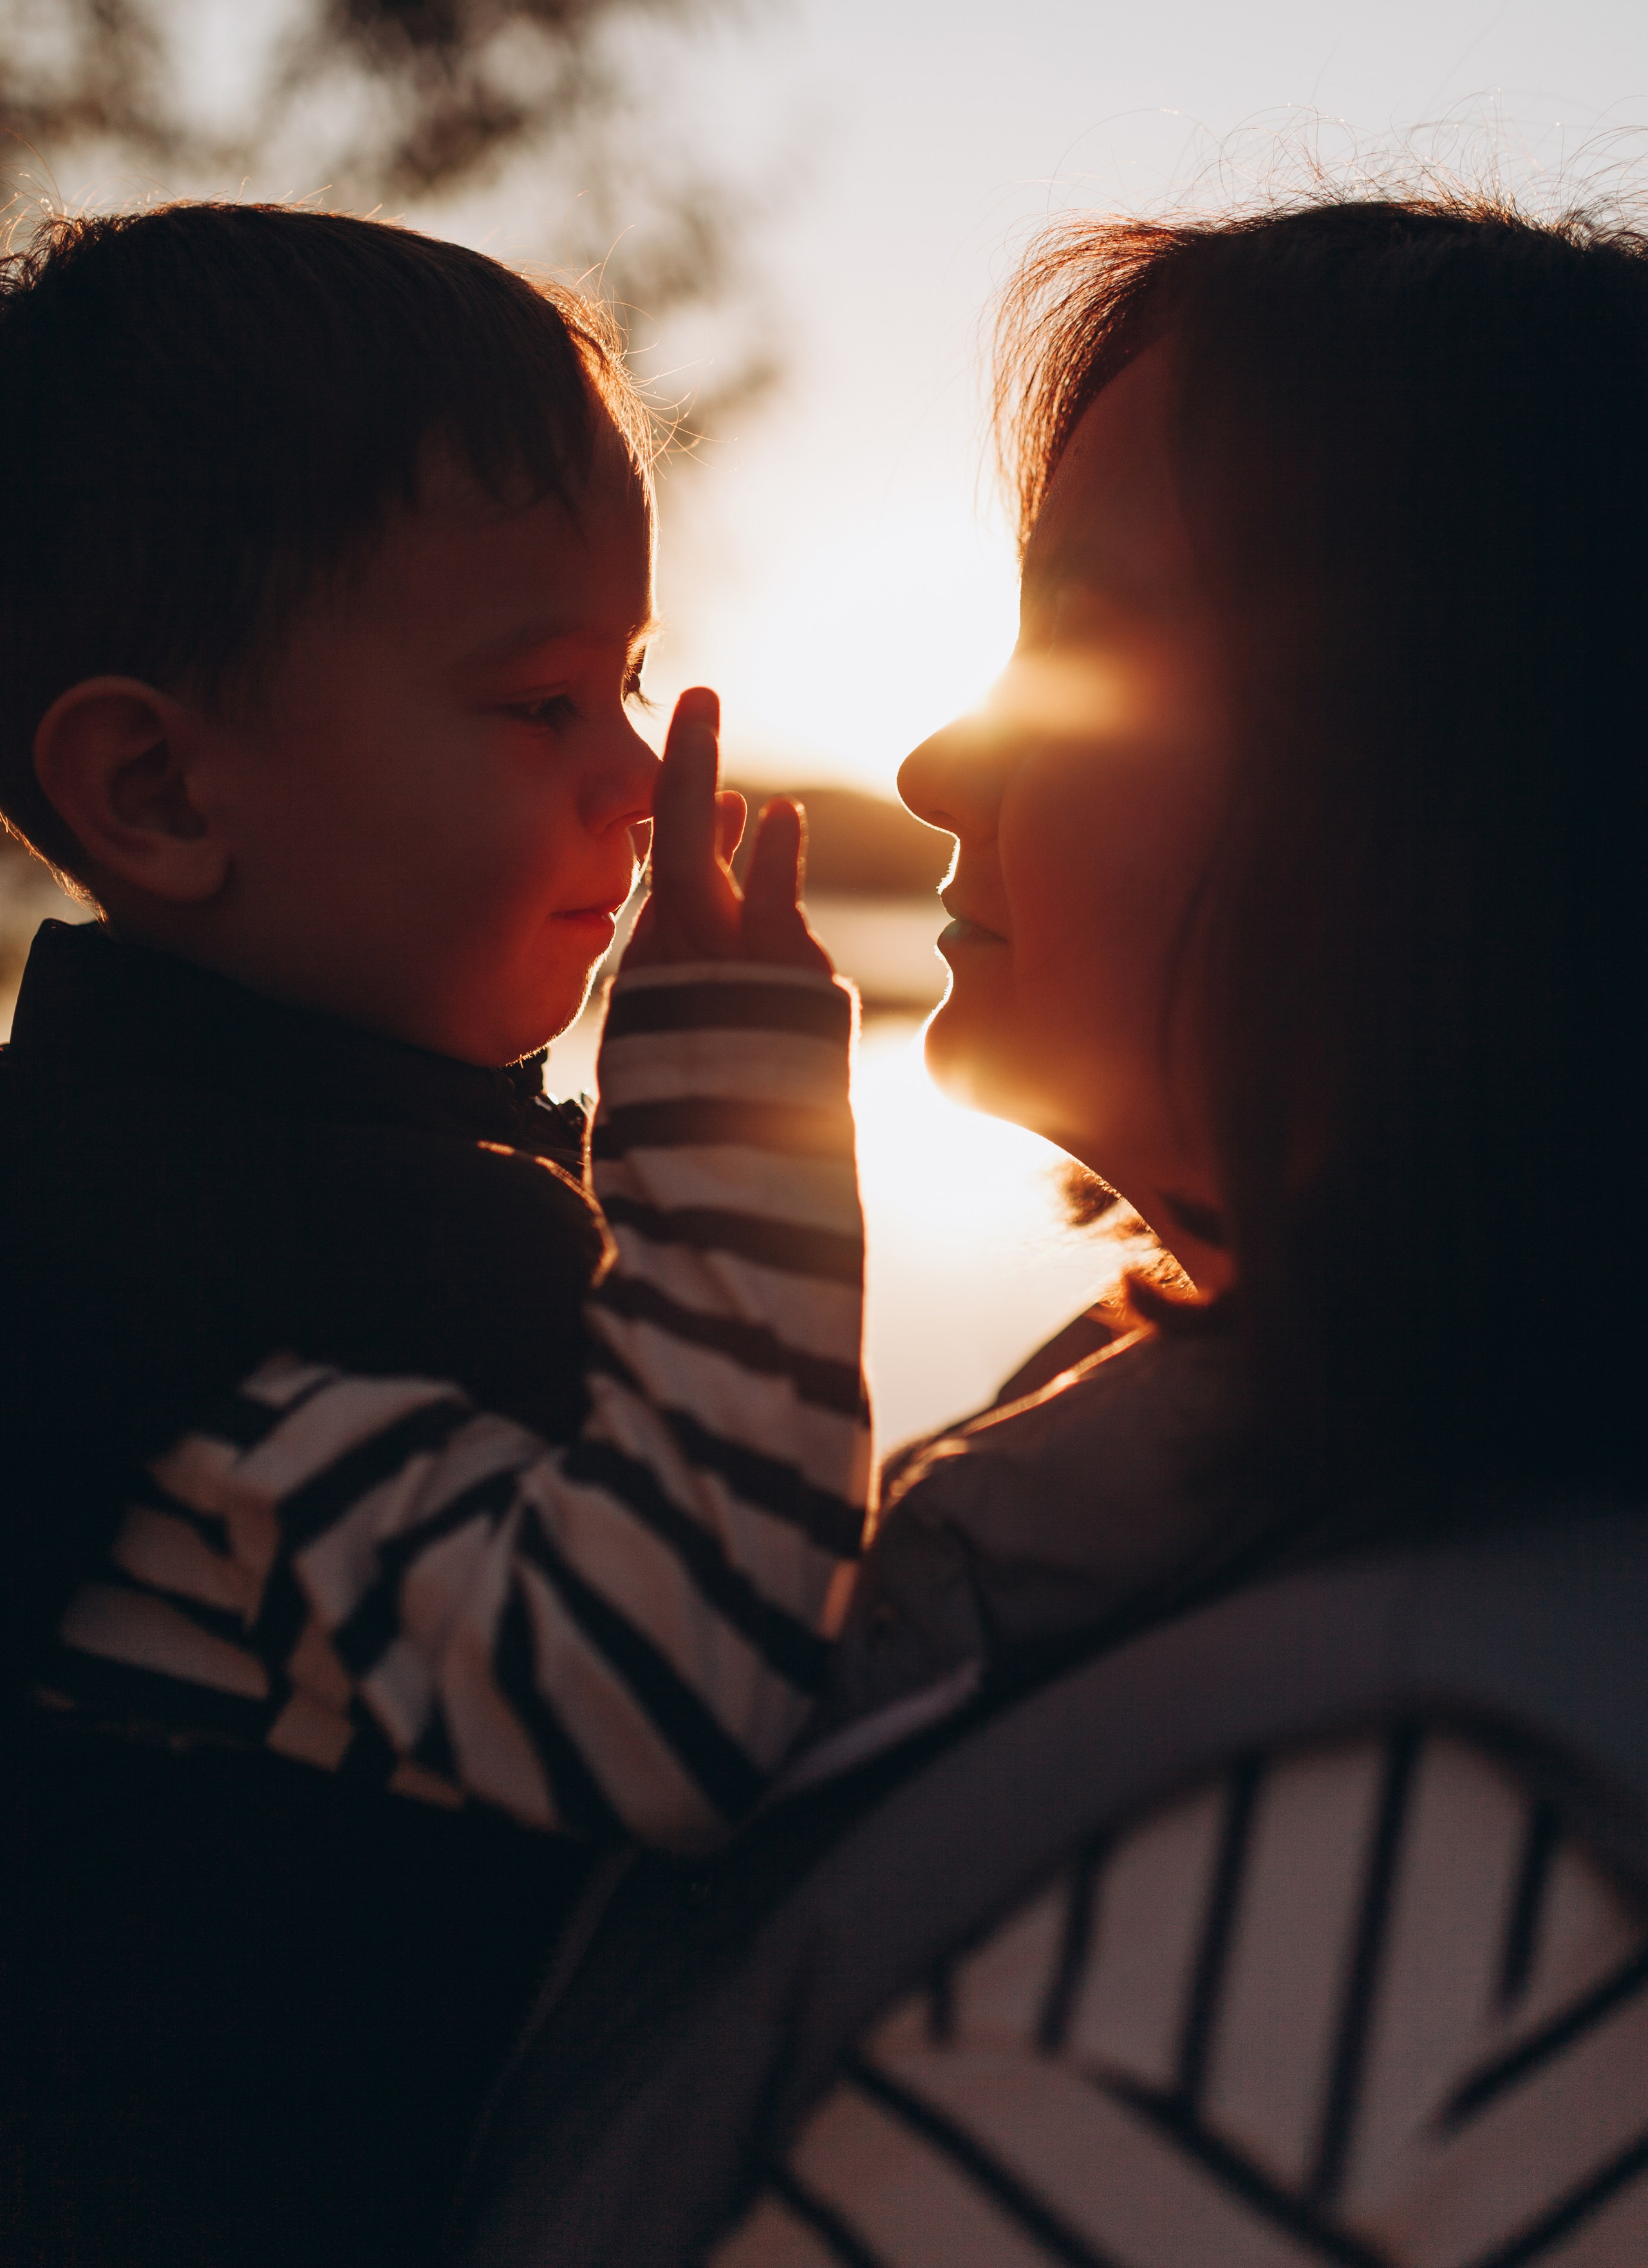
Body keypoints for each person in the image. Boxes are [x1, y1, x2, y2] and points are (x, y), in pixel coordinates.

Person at [454, 194, 1648, 2267]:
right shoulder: (1184, 1492)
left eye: (1082, 631)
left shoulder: (1387, 1887)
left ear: (1466, 772)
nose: (932, 758)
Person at [0, 206, 870, 2262]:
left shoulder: (266, 1186)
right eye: (540, 701)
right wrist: (737, 1114)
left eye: (633, 679)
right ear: (158, 789)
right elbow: (679, 1709)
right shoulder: (202, 1277)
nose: (636, 779)